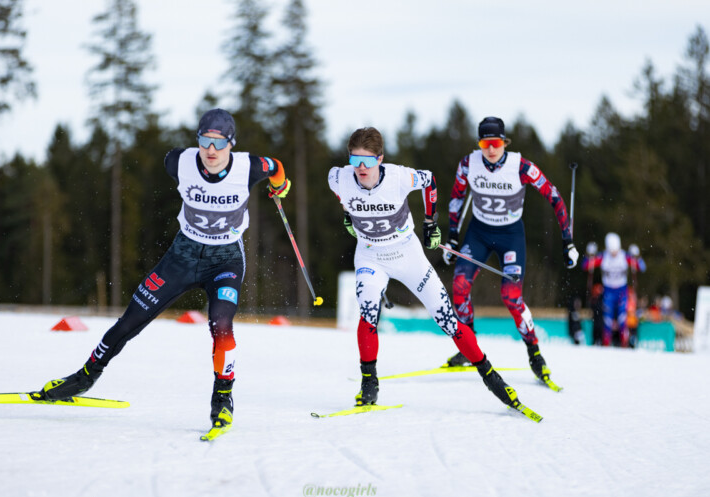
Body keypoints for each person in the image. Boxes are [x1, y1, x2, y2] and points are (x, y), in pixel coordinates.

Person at [38, 108, 291, 436]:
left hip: (225, 260)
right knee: (130, 320)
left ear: (231, 144)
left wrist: (280, 186)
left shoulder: (249, 167)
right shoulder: (178, 161)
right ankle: (85, 377)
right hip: (183, 256)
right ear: (197, 140)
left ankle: (223, 400)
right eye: (204, 141)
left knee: (222, 323)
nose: (211, 151)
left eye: (219, 143)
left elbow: (277, 168)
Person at [328, 126, 530, 412]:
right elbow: (341, 193)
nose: (361, 168)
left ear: (380, 159)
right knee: (369, 312)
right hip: (371, 256)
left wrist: (431, 223)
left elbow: (430, 181)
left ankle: (491, 376)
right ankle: (369, 382)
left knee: (447, 320)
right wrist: (349, 215)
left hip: (408, 255)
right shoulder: (338, 177)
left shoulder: (398, 176)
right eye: (355, 160)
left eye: (369, 161)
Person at [440, 117, 578, 386]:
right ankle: (469, 346)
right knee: (459, 285)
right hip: (479, 232)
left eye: (496, 143)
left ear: (504, 142)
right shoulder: (469, 163)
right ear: (479, 143)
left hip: (510, 235)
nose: (491, 149)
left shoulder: (522, 167)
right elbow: (457, 197)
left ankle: (534, 352)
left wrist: (568, 241)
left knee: (511, 296)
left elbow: (554, 196)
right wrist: (453, 236)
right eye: (485, 143)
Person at [581, 232, 646, 347]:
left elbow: (641, 267)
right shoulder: (603, 256)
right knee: (607, 320)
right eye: (612, 251)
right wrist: (589, 254)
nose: (614, 253)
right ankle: (606, 344)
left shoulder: (624, 256)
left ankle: (624, 343)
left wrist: (636, 256)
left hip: (622, 291)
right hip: (608, 291)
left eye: (615, 250)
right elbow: (585, 265)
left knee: (622, 319)